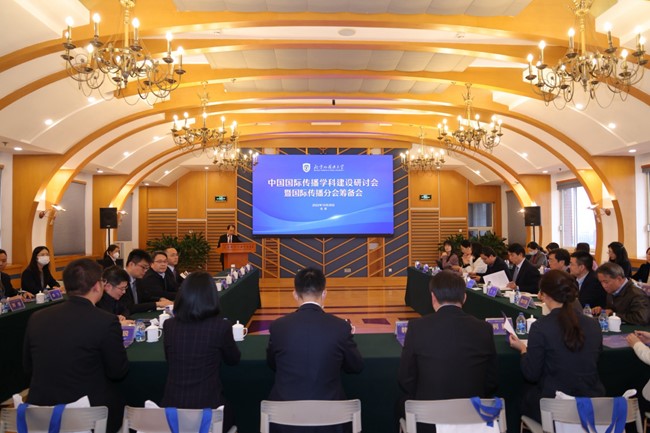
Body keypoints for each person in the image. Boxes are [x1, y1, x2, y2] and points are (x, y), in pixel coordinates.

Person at [23, 258, 129, 433]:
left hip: (40, 413)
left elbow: (28, 368)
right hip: (88, 415)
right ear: (98, 286)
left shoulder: (37, 317)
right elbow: (117, 371)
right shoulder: (106, 321)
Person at [398, 270, 498, 432]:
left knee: (401, 403)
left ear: (433, 297)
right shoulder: (484, 328)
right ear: (464, 297)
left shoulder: (417, 327)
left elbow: (406, 379)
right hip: (472, 416)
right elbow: (491, 380)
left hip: (428, 418)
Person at [266, 267, 363, 432]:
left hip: (284, 420)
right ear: (324, 293)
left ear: (295, 294)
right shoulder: (340, 327)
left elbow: (272, 364)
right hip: (332, 420)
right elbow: (356, 366)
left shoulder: (278, 326)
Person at [508, 270, 605, 423]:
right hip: (592, 404)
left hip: (554, 407)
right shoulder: (593, 324)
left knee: (516, 398)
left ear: (544, 295)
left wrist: (523, 350)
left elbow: (531, 374)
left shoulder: (541, 327)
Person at [161, 272, 241, 432]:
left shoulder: (169, 326)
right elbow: (233, 359)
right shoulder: (221, 326)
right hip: (210, 412)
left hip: (172, 412)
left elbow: (169, 358)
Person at [123, 249, 172, 314]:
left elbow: (144, 298)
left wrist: (159, 299)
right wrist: (156, 304)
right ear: (131, 264)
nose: (145, 271)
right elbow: (128, 307)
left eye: (147, 268)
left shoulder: (138, 279)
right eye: (143, 267)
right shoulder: (120, 280)